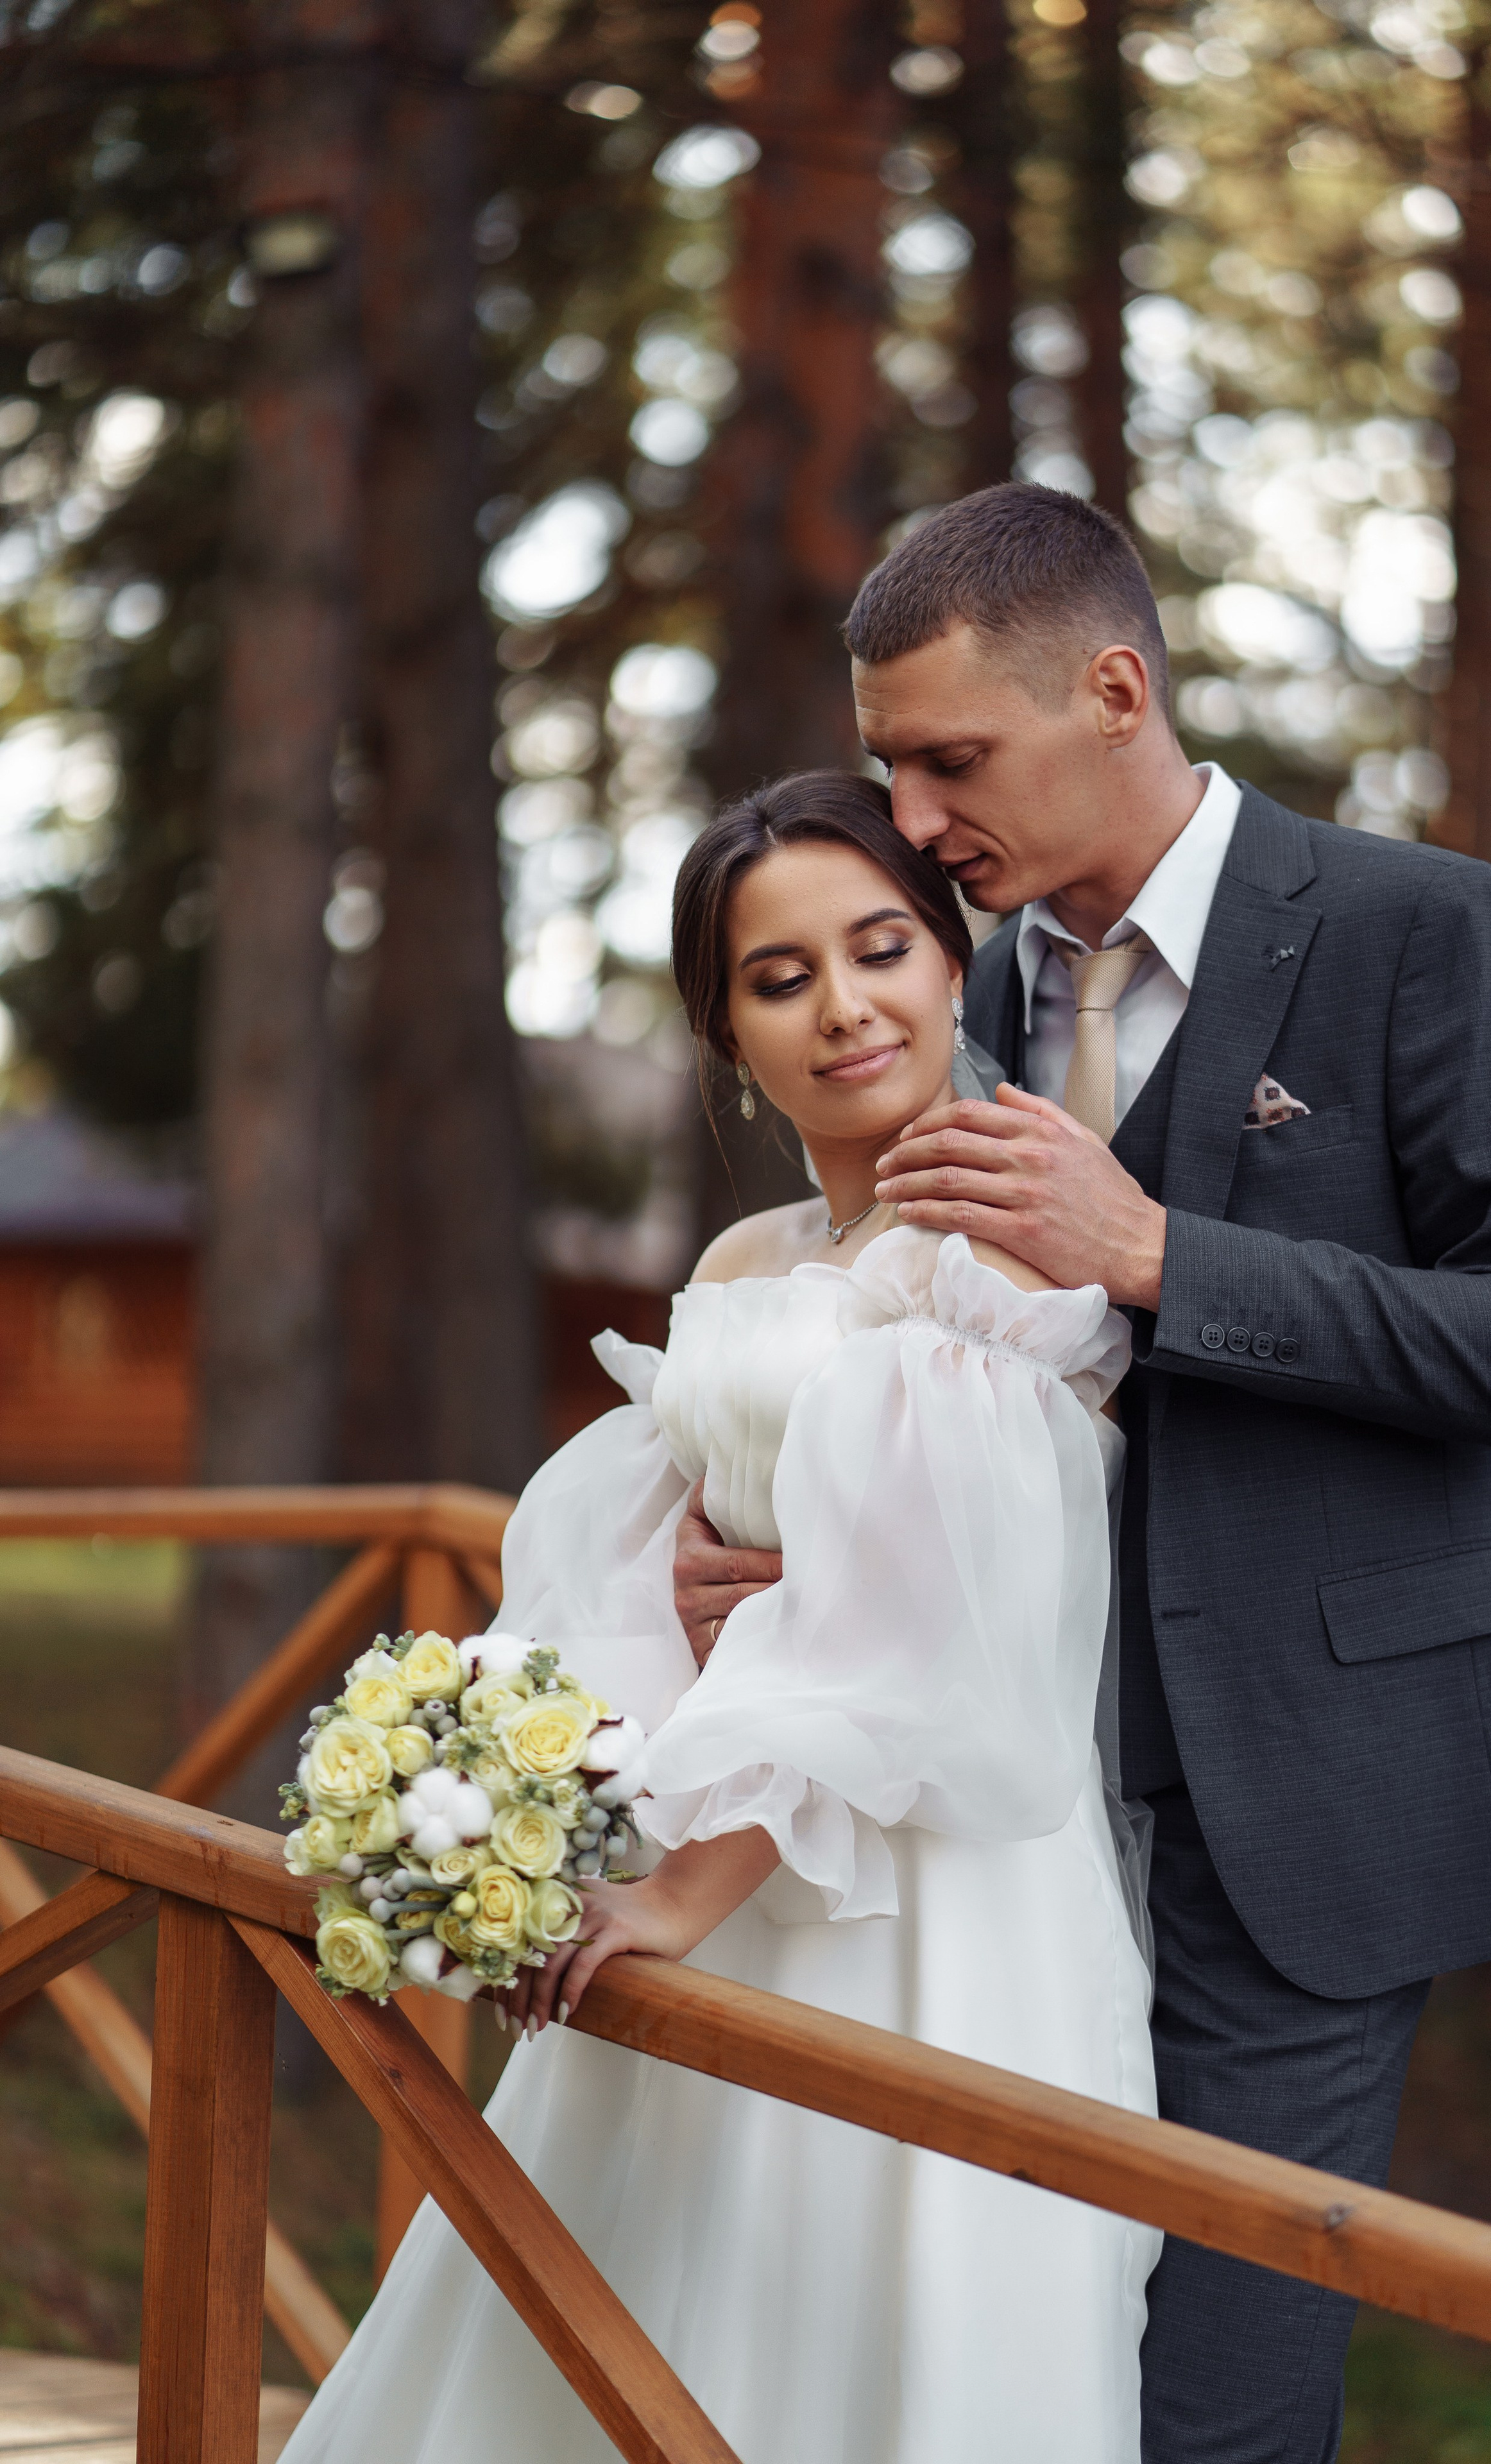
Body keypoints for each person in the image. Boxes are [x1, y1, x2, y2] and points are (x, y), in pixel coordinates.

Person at [674, 483, 1491, 2464]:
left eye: (953, 761)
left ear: (1114, 689)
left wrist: (1162, 1256)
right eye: (893, 768)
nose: (919, 824)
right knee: (1007, 2374)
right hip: (1003, 1824)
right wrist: (786, 1557)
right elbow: (917, 1364)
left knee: (1211, 2403)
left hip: (1303, 1805)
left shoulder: (1414, 930)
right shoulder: (976, 979)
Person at [280, 769, 1159, 2464]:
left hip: (917, 1901)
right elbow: (623, 1559)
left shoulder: (1006, 1235)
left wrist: (683, 1890)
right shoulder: (754, 1264)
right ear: (726, 1030)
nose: (845, 1007)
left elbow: (926, 1632)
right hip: (711, 1826)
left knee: (859, 2318)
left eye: (882, 947)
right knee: (623, 2318)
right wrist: (504, 1791)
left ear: (953, 960)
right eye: (779, 978)